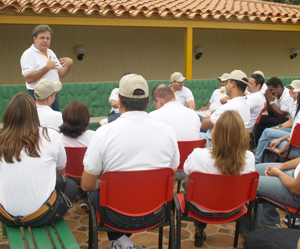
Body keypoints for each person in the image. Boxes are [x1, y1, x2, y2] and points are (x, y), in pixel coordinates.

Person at [81, 74, 179, 249]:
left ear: (119, 103)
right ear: (148, 102)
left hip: (114, 216)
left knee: (96, 194)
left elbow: (87, 185)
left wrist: (105, 184)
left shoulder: (103, 134)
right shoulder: (168, 131)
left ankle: (122, 242)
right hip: (156, 213)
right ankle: (124, 243)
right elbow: (171, 173)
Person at [0, 93, 77, 227]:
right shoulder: (51, 135)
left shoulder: (2, 138)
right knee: (70, 185)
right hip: (43, 216)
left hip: (6, 216)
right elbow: (60, 172)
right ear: (34, 114)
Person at [184, 110, 255, 247]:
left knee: (190, 186)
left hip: (200, 209)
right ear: (243, 134)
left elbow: (188, 174)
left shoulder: (198, 154)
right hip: (234, 209)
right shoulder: (249, 158)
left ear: (216, 132)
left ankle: (199, 229)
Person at [20, 25, 73, 111]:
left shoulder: (50, 52)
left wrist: (69, 65)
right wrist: (47, 68)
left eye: (48, 38)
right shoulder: (28, 54)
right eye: (42, 38)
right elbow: (28, 78)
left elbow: (61, 74)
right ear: (35, 39)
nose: (45, 41)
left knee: (55, 123)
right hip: (39, 98)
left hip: (54, 97)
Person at [60, 101, 95, 211]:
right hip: (89, 179)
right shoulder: (93, 136)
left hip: (68, 178)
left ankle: (78, 196)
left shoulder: (58, 139)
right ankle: (85, 198)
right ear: (86, 119)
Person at [201, 70, 250, 147]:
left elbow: (204, 125)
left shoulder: (228, 107)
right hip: (235, 145)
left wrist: (208, 117)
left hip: (215, 145)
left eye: (227, 82)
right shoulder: (245, 104)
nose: (225, 86)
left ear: (233, 84)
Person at [255, 80, 300, 163]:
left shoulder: (290, 100)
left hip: (295, 141)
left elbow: (282, 115)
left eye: (293, 89)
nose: (290, 90)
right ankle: (265, 162)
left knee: (268, 132)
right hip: (293, 133)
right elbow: (291, 121)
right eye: (290, 88)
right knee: (271, 135)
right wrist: (280, 127)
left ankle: (257, 160)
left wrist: (281, 148)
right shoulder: (294, 103)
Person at [255, 77, 293, 144]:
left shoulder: (287, 96)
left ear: (279, 86)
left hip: (287, 119)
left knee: (271, 121)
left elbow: (282, 115)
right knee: (262, 118)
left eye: (272, 90)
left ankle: (269, 143)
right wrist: (267, 100)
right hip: (279, 116)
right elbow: (270, 113)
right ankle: (258, 143)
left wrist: (271, 101)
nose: (271, 92)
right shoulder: (276, 94)